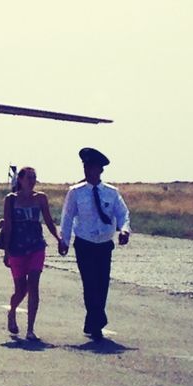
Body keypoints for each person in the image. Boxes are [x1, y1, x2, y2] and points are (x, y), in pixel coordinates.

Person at [58, 147, 131, 342]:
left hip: (104, 245)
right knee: (90, 284)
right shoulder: (75, 193)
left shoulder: (112, 192)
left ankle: (93, 321)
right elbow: (67, 217)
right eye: (86, 166)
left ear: (100, 170)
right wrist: (63, 240)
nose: (87, 170)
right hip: (84, 244)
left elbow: (122, 213)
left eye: (91, 167)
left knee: (102, 284)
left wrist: (124, 230)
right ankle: (97, 322)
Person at [0, 166, 61, 341]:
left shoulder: (40, 198)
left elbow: (49, 221)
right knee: (21, 290)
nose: (32, 181)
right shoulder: (11, 199)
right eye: (28, 177)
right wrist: (6, 252)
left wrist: (58, 239)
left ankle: (30, 329)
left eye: (34, 177)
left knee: (34, 285)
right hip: (17, 249)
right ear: (20, 179)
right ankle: (12, 312)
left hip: (36, 246)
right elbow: (9, 225)